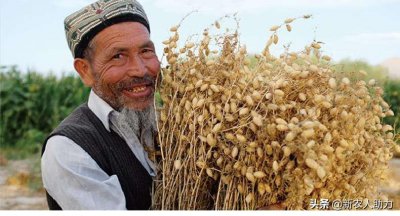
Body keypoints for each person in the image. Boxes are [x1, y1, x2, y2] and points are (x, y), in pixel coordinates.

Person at [41, 0, 160, 210]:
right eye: (118, 56)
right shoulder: (70, 148)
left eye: (146, 51)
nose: (140, 70)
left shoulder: (178, 126)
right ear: (85, 71)